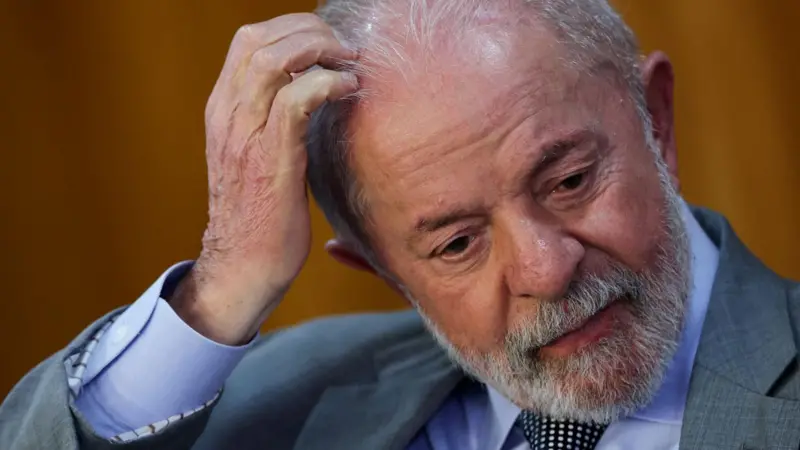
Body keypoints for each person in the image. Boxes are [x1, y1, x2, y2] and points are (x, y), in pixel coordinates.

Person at [2, 0, 799, 448]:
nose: (546, 268)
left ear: (656, 121)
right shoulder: (284, 404)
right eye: (456, 243)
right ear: (384, 271)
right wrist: (221, 288)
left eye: (568, 181)